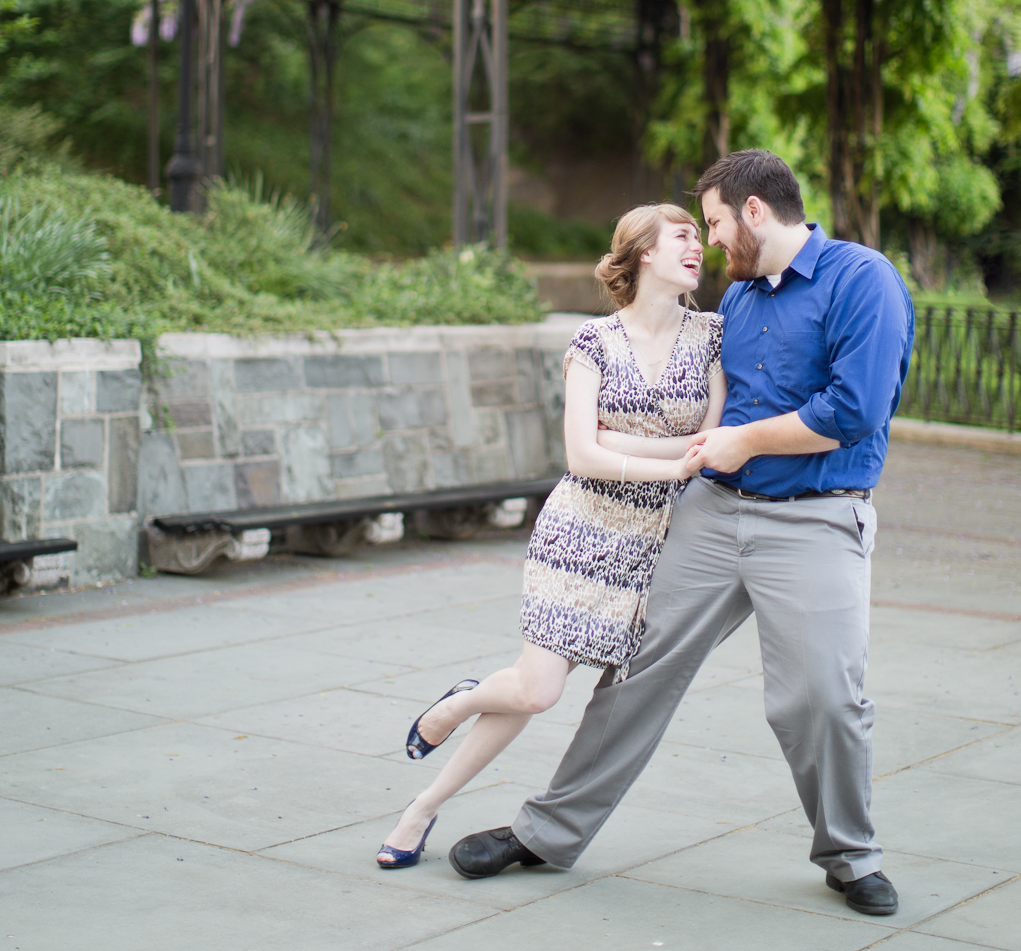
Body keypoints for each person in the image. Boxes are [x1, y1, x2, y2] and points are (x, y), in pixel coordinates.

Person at [449, 149, 915, 920]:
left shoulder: (862, 279)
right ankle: (548, 832)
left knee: (821, 700)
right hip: (712, 512)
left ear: (755, 212)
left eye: (717, 221)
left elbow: (857, 408)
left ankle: (849, 854)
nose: (713, 239)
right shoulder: (737, 303)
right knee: (634, 672)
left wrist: (748, 441)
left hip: (817, 517)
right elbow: (688, 397)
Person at [376, 202, 726, 870]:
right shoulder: (592, 342)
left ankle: (421, 805)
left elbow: (706, 440)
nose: (698, 247)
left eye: (700, 239)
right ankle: (461, 705)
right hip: (579, 531)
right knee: (536, 691)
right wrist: (658, 455)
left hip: (652, 547)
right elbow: (580, 456)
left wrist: (622, 440)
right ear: (644, 252)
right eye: (683, 236)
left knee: (534, 690)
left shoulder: (712, 336)